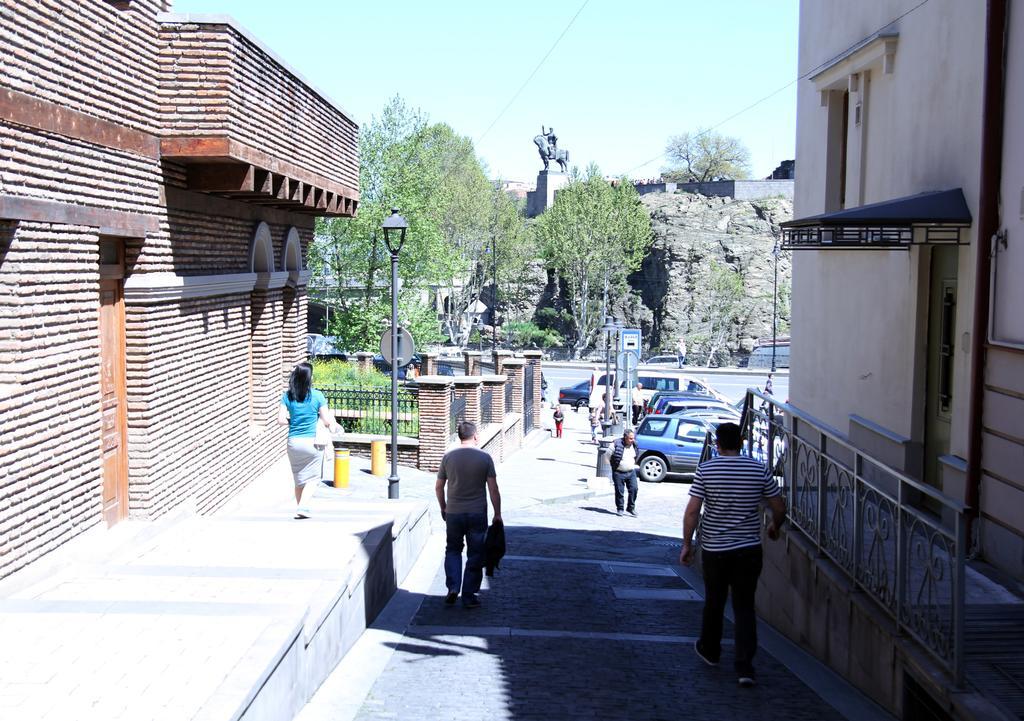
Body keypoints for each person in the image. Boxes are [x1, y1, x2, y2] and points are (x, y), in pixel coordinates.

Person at [679, 422, 787, 688]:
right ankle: (745, 667)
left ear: (718, 443)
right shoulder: (758, 469)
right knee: (744, 607)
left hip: (716, 550)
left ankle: (710, 651)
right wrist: (774, 526)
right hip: (749, 550)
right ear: (741, 442)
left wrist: (687, 544)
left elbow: (692, 511)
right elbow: (778, 505)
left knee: (714, 603)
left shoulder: (707, 469)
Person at [435, 421, 502, 609]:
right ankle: (469, 595)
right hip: (477, 513)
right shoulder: (485, 458)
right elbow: (493, 489)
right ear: (475, 436)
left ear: (459, 436)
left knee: (453, 549)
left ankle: (453, 587)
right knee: (476, 553)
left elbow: (439, 487)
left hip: (454, 513)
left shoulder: (448, 457)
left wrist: (443, 507)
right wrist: (497, 514)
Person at [277, 362, 340, 519]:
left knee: (299, 479)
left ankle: (300, 509)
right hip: (312, 442)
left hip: (293, 443)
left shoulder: (287, 396)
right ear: (309, 378)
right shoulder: (317, 396)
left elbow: (280, 420)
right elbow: (326, 420)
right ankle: (303, 507)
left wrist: (293, 421)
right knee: (313, 479)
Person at [609, 429, 640, 517]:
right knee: (619, 492)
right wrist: (613, 466)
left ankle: (630, 508)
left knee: (634, 489)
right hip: (619, 472)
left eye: (633, 438)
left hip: (631, 472)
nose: (632, 440)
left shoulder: (634, 444)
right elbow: (607, 455)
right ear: (625, 437)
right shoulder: (615, 444)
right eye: (630, 438)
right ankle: (620, 508)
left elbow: (636, 455)